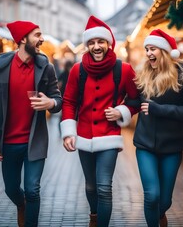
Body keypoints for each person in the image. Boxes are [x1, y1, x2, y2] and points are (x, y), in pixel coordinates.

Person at [60, 15, 140, 227]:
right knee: (90, 187)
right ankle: (94, 217)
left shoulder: (123, 70)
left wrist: (121, 111)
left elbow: (136, 99)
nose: (96, 46)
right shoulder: (78, 70)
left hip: (109, 136)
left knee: (104, 187)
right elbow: (68, 101)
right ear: (87, 45)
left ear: (108, 43)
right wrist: (68, 131)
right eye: (92, 43)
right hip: (84, 136)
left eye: (100, 42)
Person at [0, 20, 62, 227]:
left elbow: (58, 99)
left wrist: (50, 102)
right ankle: (21, 205)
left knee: (33, 189)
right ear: (23, 39)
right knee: (11, 189)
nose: (41, 39)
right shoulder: (0, 67)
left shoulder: (46, 67)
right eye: (37, 35)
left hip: (35, 140)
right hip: (7, 143)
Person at [126, 29, 183, 227]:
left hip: (172, 147)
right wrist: (120, 109)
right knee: (152, 196)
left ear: (165, 51)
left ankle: (160, 216)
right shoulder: (142, 76)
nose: (149, 53)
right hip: (145, 145)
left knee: (165, 200)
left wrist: (160, 109)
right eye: (147, 49)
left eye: (153, 49)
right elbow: (133, 102)